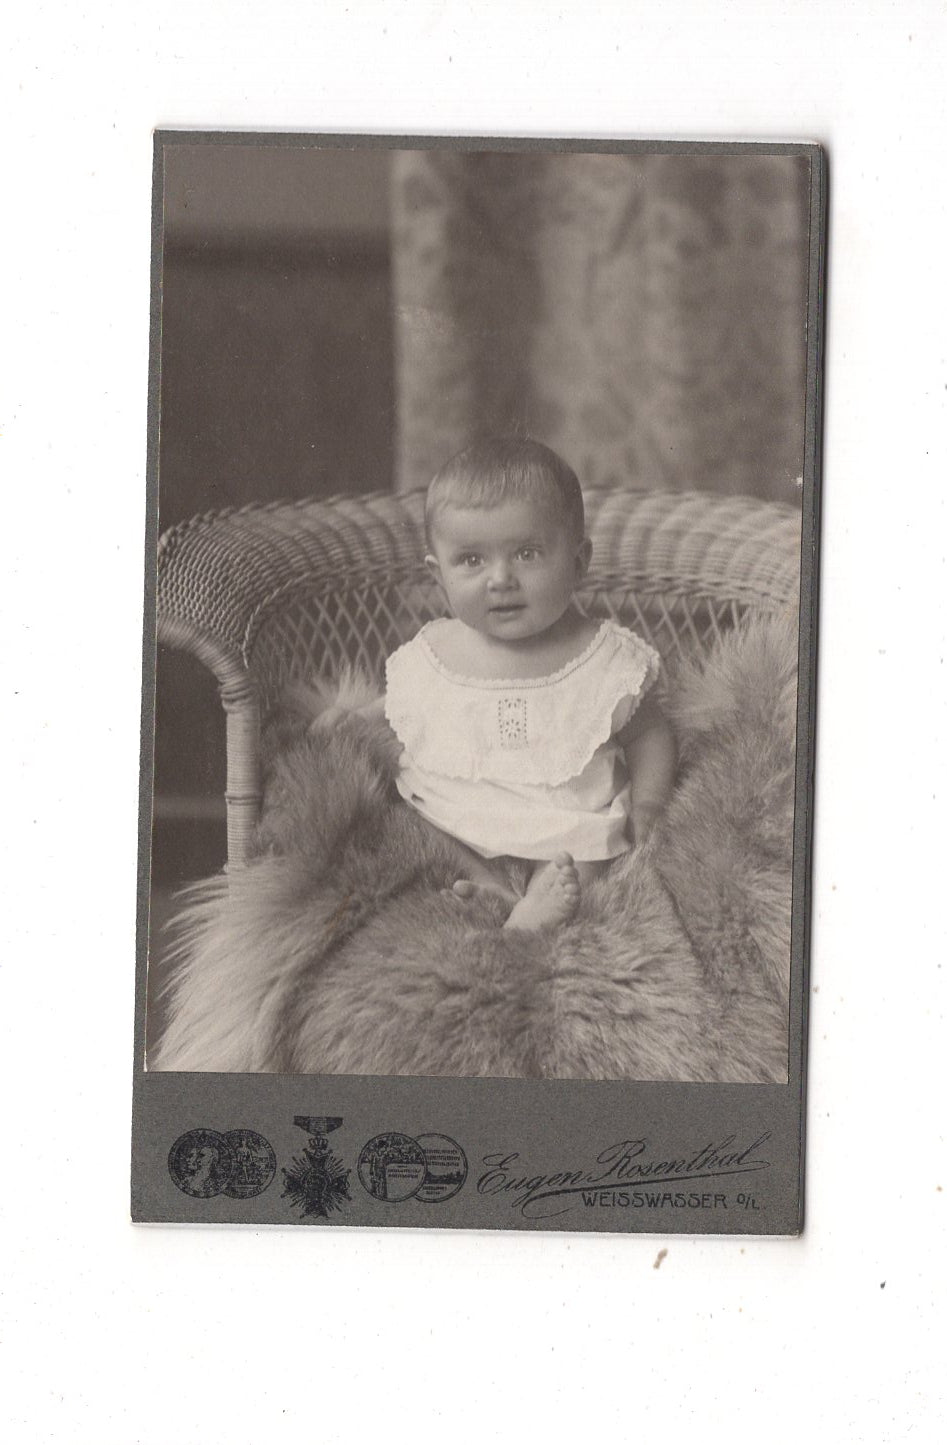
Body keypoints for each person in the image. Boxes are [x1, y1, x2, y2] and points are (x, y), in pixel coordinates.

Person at [384, 438, 677, 932]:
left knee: (588, 855)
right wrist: (355, 718)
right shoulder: (436, 652)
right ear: (439, 577)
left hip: (566, 819)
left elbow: (650, 733)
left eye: (526, 553)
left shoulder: (600, 657)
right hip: (460, 812)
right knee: (415, 821)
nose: (501, 579)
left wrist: (648, 803)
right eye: (472, 561)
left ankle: (543, 901)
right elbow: (407, 706)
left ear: (578, 563)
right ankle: (491, 887)